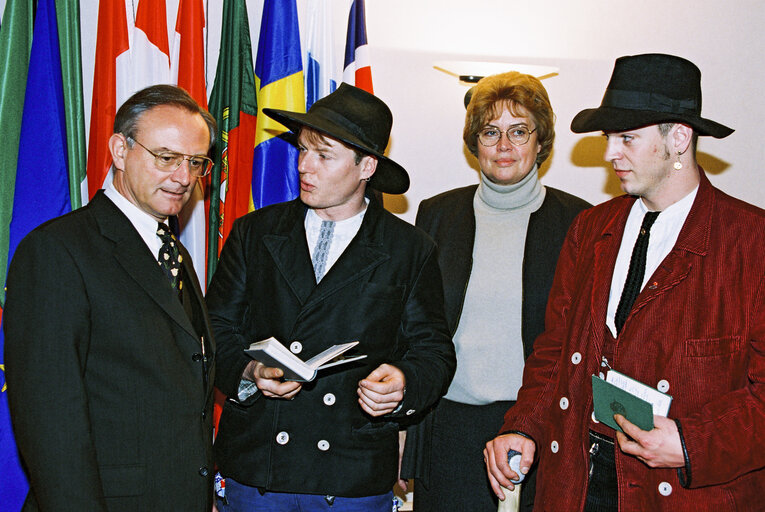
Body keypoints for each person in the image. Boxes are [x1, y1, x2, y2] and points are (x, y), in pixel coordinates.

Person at [485, 53, 765, 510]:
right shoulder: (591, 229)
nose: (611, 153)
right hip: (578, 480)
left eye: (627, 138)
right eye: (609, 138)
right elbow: (555, 350)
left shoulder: (751, 243)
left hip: (681, 492)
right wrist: (523, 426)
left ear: (678, 137)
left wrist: (692, 442)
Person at [206, 83, 456, 511]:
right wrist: (249, 371)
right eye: (302, 150)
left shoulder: (409, 248)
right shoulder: (255, 233)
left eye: (323, 155)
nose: (305, 166)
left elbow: (433, 351)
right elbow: (213, 333)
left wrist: (402, 381)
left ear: (366, 167)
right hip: (259, 463)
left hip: (350, 471)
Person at [4, 85, 217, 511]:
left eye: (196, 162)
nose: (184, 178)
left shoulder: (175, 253)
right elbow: (50, 423)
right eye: (167, 158)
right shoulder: (57, 251)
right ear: (120, 150)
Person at [400, 71, 591, 512]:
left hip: (539, 427)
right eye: (490, 132)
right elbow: (413, 329)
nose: (504, 146)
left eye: (519, 131)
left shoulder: (579, 223)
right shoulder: (437, 215)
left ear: (541, 142)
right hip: (446, 427)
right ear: (475, 143)